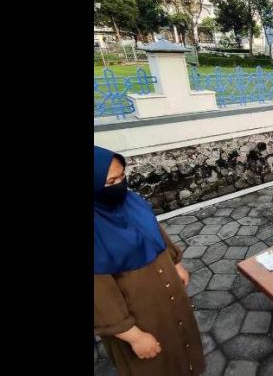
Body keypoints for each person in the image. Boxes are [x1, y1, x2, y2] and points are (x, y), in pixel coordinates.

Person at [94, 146, 205, 376]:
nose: (119, 185)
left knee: (182, 347)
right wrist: (133, 336)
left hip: (168, 297)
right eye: (110, 180)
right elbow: (99, 297)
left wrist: (176, 264)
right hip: (138, 315)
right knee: (154, 364)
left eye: (122, 176)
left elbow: (155, 231)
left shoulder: (131, 201)